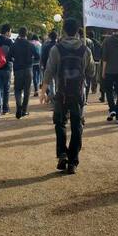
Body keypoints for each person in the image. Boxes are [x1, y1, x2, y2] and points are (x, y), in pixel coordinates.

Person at [41, 18, 94, 174]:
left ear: (64, 31)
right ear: (78, 31)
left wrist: (43, 91)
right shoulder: (85, 50)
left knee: (60, 123)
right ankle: (73, 162)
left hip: (61, 92)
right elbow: (91, 72)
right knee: (77, 126)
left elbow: (49, 71)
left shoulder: (56, 49)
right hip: (78, 93)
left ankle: (62, 154)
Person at [9, 27, 40, 119]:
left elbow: (8, 57)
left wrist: (14, 60)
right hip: (28, 69)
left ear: (19, 33)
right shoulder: (30, 45)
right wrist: (31, 60)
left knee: (18, 90)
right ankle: (24, 110)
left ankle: (19, 106)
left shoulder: (14, 44)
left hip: (18, 69)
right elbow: (37, 56)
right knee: (27, 91)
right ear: (26, 34)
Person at [41, 30, 58, 102]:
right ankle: (54, 98)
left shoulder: (46, 46)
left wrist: (44, 66)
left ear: (50, 37)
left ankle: (52, 97)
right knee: (57, 85)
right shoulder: (59, 46)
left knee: (51, 85)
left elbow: (43, 57)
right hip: (58, 69)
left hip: (49, 67)